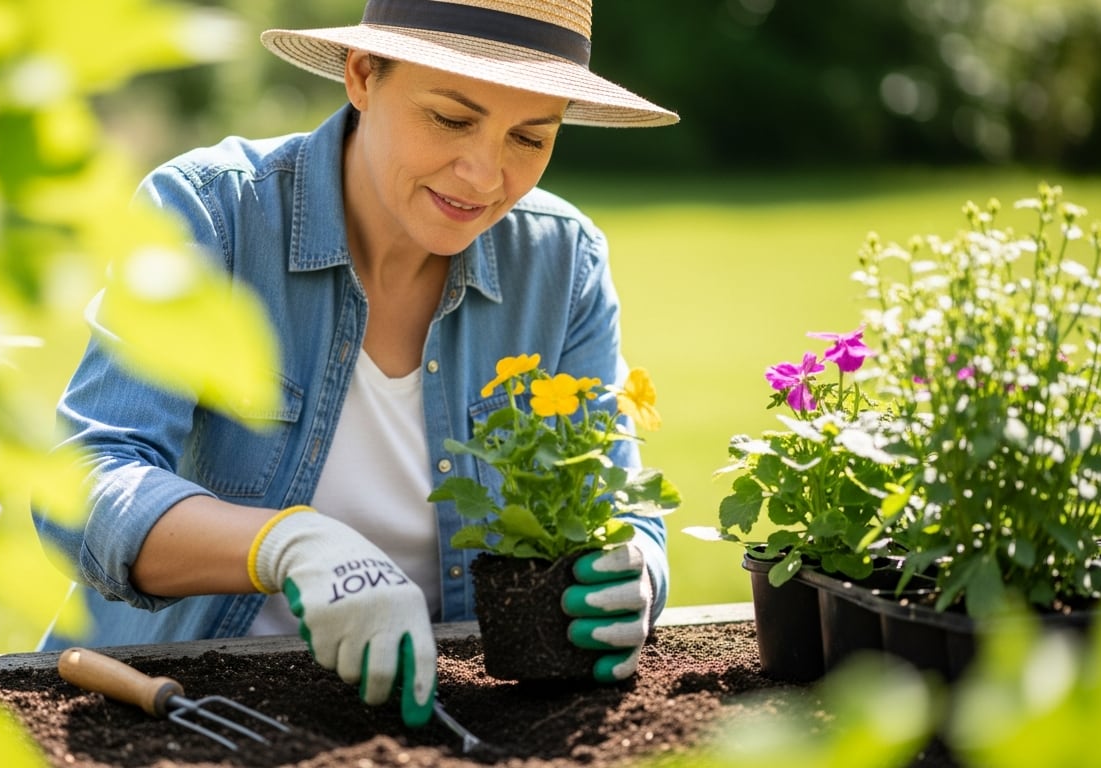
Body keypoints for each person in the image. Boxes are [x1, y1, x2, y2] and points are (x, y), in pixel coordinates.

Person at [34, 0, 679, 729]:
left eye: (529, 138)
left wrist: (636, 573)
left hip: (432, 718)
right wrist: (283, 543)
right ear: (363, 74)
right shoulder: (214, 214)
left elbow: (615, 504)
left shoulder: (561, 263)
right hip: (181, 706)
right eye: (451, 119)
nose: (482, 174)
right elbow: (84, 485)